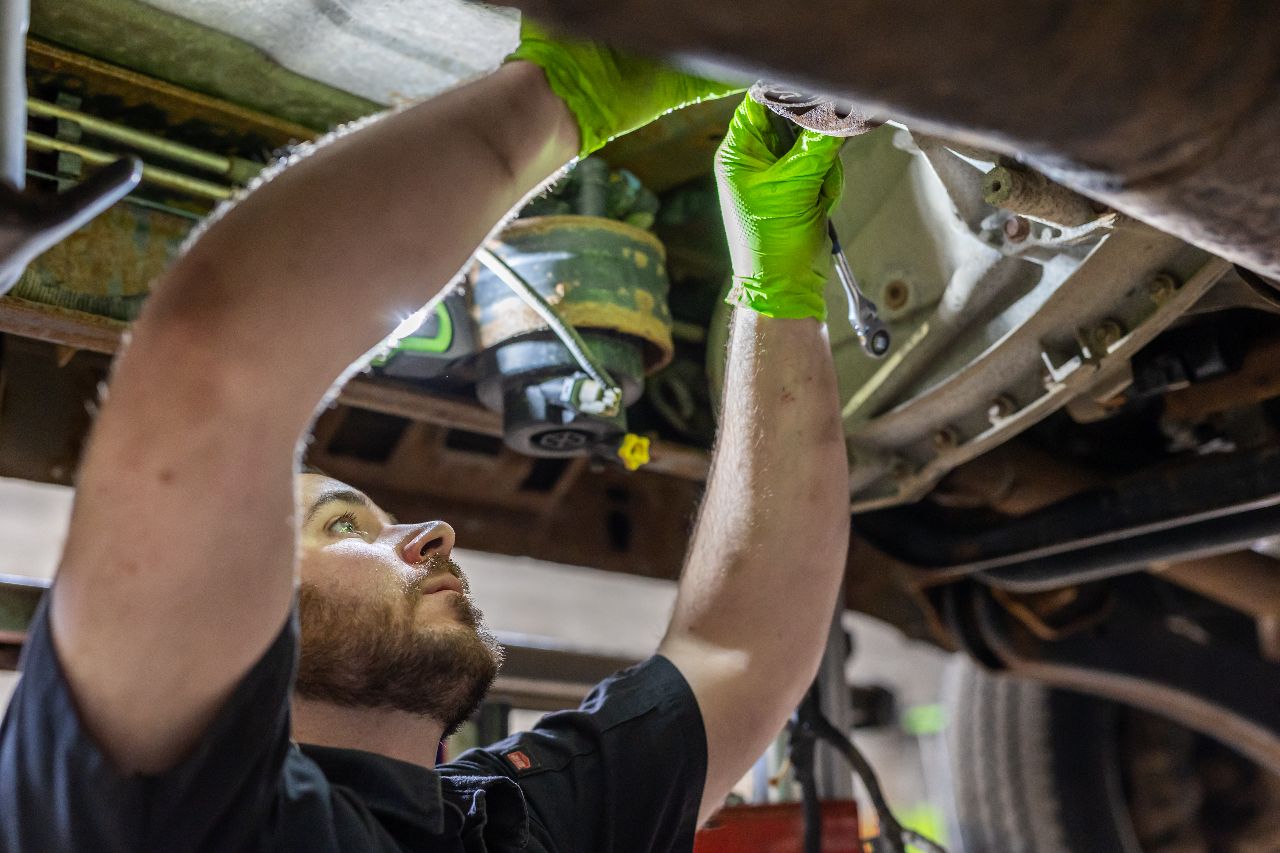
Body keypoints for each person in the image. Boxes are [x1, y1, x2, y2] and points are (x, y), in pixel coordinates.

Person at [0, 26, 851, 852]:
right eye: (344, 526)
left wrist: (774, 286)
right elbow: (211, 358)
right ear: (246, 610)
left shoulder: (507, 816)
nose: (433, 534)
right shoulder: (143, 817)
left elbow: (736, 646)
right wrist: (564, 94)